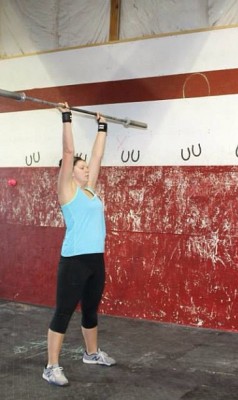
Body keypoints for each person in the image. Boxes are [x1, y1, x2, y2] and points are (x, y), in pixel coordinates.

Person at [42, 104, 116, 386]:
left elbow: (97, 155)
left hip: (95, 260)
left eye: (87, 168)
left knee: (90, 310)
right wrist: (66, 118)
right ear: (71, 172)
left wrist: (102, 126)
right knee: (63, 312)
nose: (87, 170)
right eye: (82, 168)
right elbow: (69, 153)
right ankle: (51, 366)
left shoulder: (89, 190)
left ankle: (92, 353)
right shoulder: (66, 190)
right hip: (73, 261)